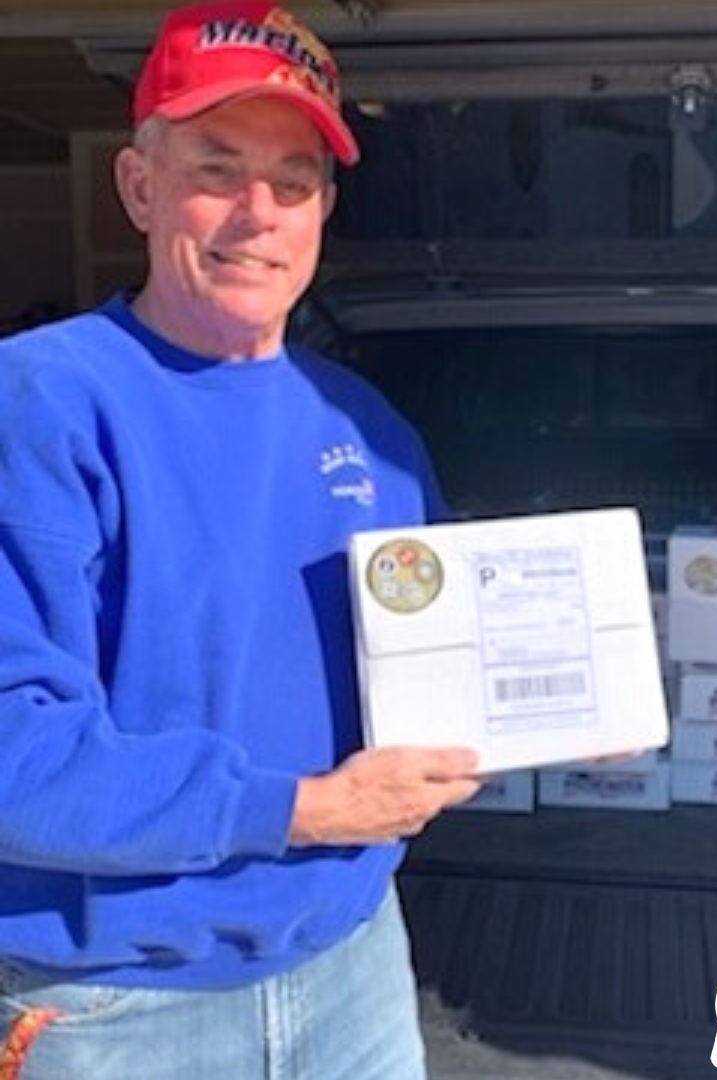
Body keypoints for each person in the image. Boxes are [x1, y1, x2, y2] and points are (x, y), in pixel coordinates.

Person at [0, 3, 481, 1078]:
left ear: (322, 210)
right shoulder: (39, 404)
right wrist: (305, 810)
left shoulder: (370, 431)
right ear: (139, 185)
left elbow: (435, 668)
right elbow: (12, 755)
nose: (257, 213)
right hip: (118, 1003)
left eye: (294, 180)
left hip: (351, 966)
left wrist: (540, 704)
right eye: (217, 169)